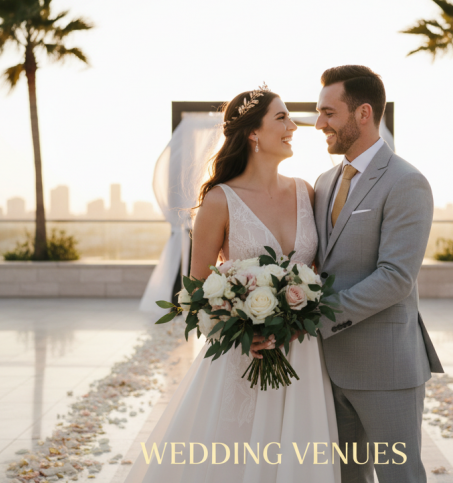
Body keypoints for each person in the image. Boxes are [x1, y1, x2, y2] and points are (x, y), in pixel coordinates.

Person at [126, 86, 341, 483]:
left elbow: (316, 272)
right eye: (282, 118)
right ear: (253, 133)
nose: (294, 126)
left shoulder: (305, 191)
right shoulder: (219, 201)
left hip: (303, 352)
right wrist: (243, 330)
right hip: (245, 356)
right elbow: (197, 291)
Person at [313, 65, 444, 483]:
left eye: (329, 113)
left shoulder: (407, 182)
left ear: (363, 113)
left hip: (386, 368)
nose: (319, 124)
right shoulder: (323, 182)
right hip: (327, 368)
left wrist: (316, 319)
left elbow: (396, 277)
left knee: (399, 477)